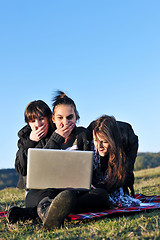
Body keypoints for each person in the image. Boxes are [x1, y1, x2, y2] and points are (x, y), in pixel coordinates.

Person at [7, 91, 95, 229]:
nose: (38, 124)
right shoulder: (27, 138)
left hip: (69, 189)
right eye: (32, 121)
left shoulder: (70, 133)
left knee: (96, 195)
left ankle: (30, 214)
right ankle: (48, 213)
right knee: (49, 194)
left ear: (49, 119)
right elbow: (22, 168)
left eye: (41, 119)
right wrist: (30, 141)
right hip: (41, 191)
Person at [91, 115, 141, 207]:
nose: (99, 146)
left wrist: (102, 187)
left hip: (114, 183)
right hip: (95, 185)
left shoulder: (129, 141)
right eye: (96, 141)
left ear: (112, 140)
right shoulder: (89, 137)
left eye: (104, 141)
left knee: (102, 196)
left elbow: (124, 174)